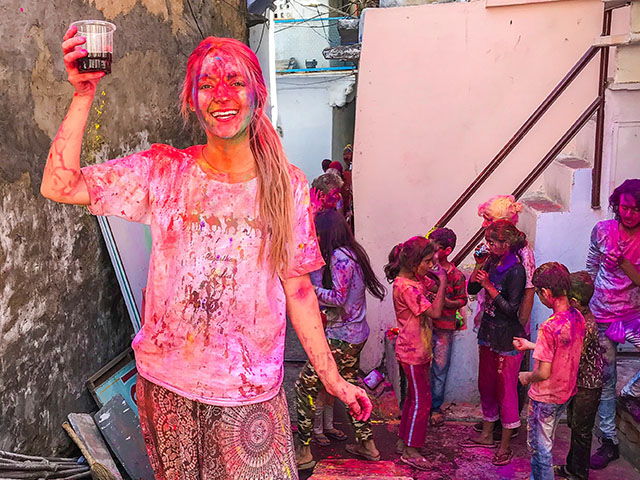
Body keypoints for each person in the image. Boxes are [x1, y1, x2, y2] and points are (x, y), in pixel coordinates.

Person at [41, 32, 372, 480]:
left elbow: (298, 289)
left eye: (235, 82)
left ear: (258, 93)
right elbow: (59, 186)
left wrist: (332, 376)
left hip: (248, 392)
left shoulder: (286, 184)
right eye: (206, 84)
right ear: (192, 100)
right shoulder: (164, 172)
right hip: (166, 387)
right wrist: (84, 94)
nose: (221, 96)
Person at [295, 209, 386, 468]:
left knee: (304, 387)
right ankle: (366, 444)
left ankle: (303, 450)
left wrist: (306, 289)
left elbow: (338, 297)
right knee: (349, 386)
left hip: (341, 338)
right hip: (354, 335)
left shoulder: (339, 256)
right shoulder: (350, 253)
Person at [462, 220, 527, 466]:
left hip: (507, 338)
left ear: (506, 244)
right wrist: (479, 265)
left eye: (493, 242)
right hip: (489, 333)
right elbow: (471, 289)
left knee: (506, 391)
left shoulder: (516, 270)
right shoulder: (491, 260)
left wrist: (489, 286)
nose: (488, 246)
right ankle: (487, 435)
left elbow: (512, 309)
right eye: (488, 241)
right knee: (486, 385)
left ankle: (505, 445)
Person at [513, 262, 585, 480]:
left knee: (539, 448)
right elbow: (561, 348)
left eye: (538, 293)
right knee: (547, 441)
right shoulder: (577, 317)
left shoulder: (549, 326)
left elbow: (543, 373)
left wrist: (527, 376)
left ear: (545, 293)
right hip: (565, 392)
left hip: (544, 396)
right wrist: (531, 345)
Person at [473, 194, 536, 439]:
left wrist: (520, 324)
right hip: (492, 320)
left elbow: (528, 289)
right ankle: (493, 422)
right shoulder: (493, 247)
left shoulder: (522, 252)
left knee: (508, 380)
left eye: (487, 220)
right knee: (490, 378)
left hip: (510, 324)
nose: (483, 225)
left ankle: (507, 427)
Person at [587, 179, 640, 470]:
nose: (629, 213)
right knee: (605, 380)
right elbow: (591, 266)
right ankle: (609, 442)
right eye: (625, 207)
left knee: (616, 384)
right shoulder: (603, 230)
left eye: (636, 209)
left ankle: (631, 392)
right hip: (602, 316)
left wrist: (623, 264)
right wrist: (585, 308)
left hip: (633, 317)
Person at [384, 236, 447, 471]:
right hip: (413, 350)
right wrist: (442, 281)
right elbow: (436, 312)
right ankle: (411, 449)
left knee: (413, 398)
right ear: (414, 263)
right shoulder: (406, 287)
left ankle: (405, 441)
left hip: (417, 347)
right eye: (429, 261)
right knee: (422, 401)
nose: (432, 266)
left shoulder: (413, 280)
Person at [554, 271, 604, 480]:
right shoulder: (579, 318)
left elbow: (572, 355)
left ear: (574, 301)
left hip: (588, 386)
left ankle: (579, 474)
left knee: (582, 432)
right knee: (575, 426)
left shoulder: (586, 326)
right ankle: (571, 467)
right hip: (579, 383)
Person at [426, 227, 468, 425]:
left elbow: (462, 300)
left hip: (444, 327)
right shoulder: (424, 270)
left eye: (435, 249)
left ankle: (435, 407)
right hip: (424, 326)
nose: (431, 254)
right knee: (421, 367)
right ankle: (419, 405)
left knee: (440, 369)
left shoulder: (456, 275)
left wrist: (446, 302)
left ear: (447, 251)